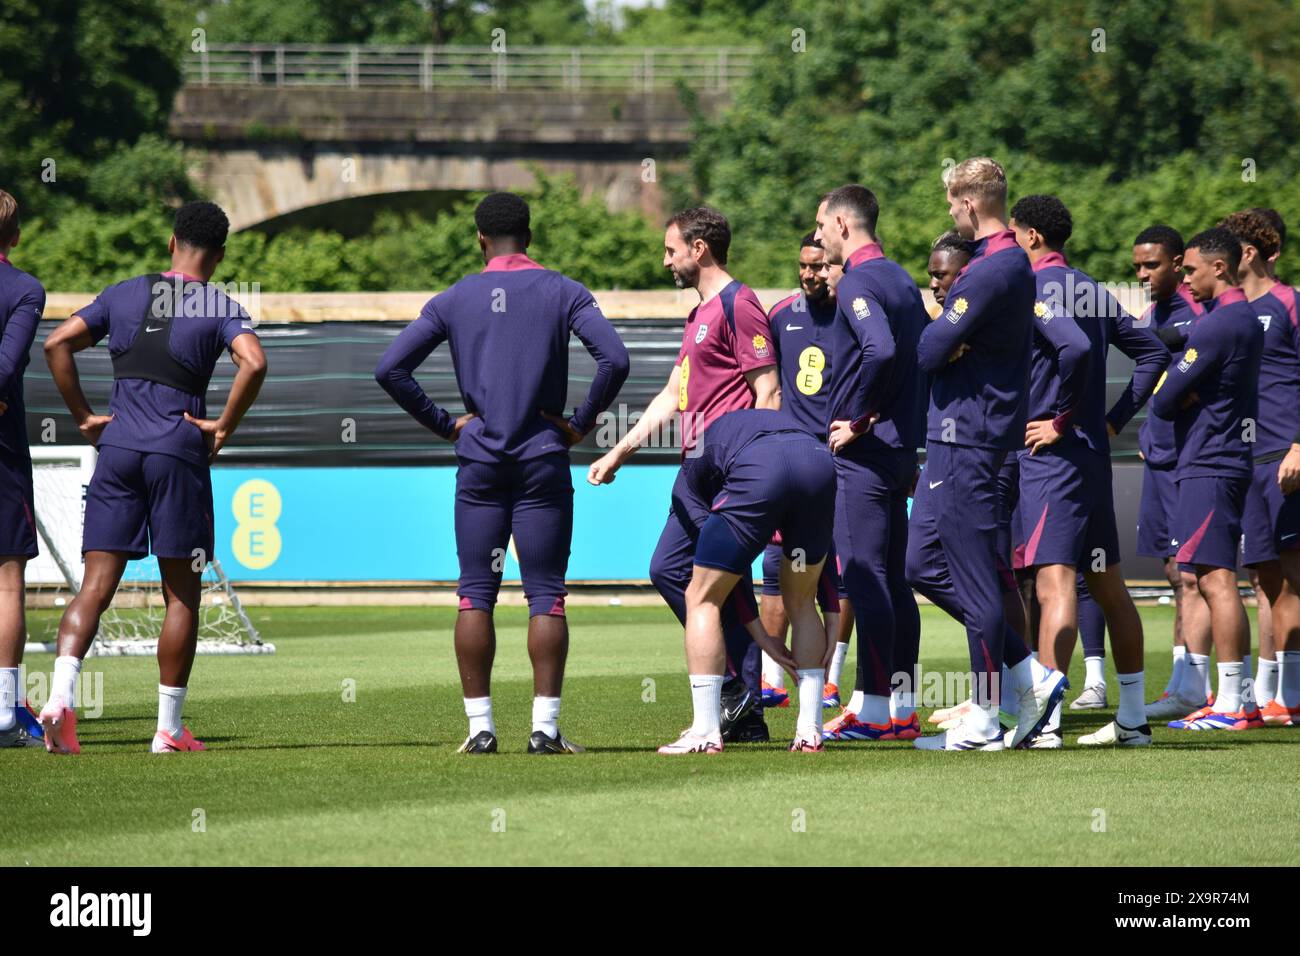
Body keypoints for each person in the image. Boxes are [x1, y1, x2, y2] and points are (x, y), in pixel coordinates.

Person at [376, 192, 629, 755]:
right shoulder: (564, 291)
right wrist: (580, 424)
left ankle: (480, 730)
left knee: (474, 594)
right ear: (530, 237)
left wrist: (447, 426)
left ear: (480, 240)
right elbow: (616, 358)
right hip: (542, 460)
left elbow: (389, 368)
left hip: (480, 464)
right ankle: (544, 730)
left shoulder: (456, 298)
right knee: (546, 596)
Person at [40, 201, 267, 754]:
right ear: (217, 257)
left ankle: (58, 700)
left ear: (171, 243)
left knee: (94, 587)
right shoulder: (219, 304)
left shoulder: (122, 292)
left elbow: (56, 343)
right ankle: (167, 729)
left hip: (117, 449)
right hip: (177, 451)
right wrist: (222, 428)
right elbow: (254, 362)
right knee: (181, 595)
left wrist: (84, 417)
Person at [587, 207, 780, 743]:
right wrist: (619, 451)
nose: (665, 259)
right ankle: (743, 706)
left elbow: (769, 391)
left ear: (699, 249)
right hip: (697, 470)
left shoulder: (740, 305)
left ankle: (739, 699)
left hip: (729, 471)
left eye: (671, 249)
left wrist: (755, 468)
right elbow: (673, 394)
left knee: (690, 575)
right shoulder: (699, 315)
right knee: (687, 575)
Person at [905, 157, 1066, 751]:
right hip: (953, 441)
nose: (950, 213)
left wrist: (948, 337)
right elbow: (944, 345)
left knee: (976, 582)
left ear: (969, 204)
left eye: (952, 204)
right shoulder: (1007, 266)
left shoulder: (990, 269)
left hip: (970, 441)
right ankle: (1031, 676)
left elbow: (928, 349)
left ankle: (985, 721)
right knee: (920, 564)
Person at [1008, 194, 1168, 747]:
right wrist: (1114, 420)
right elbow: (1152, 352)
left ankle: (1045, 723)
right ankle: (1132, 718)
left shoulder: (1033, 288)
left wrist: (1060, 420)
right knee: (1108, 585)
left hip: (1054, 460)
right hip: (1091, 461)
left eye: (1013, 233)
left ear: (1031, 236)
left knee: (1054, 585)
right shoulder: (1091, 289)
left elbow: (1073, 351)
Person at [813, 185, 928, 743]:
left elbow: (879, 350)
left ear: (841, 223)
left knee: (862, 575)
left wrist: (859, 418)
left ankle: (877, 712)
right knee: (894, 580)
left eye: (819, 225)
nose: (816, 236)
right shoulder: (903, 278)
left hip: (865, 451)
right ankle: (900, 706)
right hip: (899, 448)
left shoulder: (859, 280)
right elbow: (923, 353)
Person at [656, 410, 832, 754]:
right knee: (801, 600)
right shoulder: (741, 433)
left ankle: (705, 731)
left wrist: (761, 637)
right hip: (817, 459)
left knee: (700, 597)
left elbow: (726, 570)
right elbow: (827, 556)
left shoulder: (689, 479)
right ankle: (811, 731)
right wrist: (831, 615)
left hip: (762, 466)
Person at [1150, 227, 1264, 731]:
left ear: (1219, 267)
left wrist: (1178, 391)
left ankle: (1235, 701)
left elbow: (1164, 395)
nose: (1185, 279)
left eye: (1191, 269)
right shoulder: (1236, 319)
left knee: (1217, 579)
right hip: (1216, 459)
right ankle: (1219, 695)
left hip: (1211, 461)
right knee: (1200, 575)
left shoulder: (1218, 326)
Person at [1217, 210, 1300, 726]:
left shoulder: (1289, 302)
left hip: (1284, 460)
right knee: (1264, 580)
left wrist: (1299, 445)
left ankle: (1291, 696)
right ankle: (1263, 694)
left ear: (1246, 253)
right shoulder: (1226, 312)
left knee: (1292, 580)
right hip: (1241, 463)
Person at [759, 233, 845, 710]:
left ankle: (831, 676)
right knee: (777, 563)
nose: (810, 274)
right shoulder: (780, 316)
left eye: (819, 266)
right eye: (804, 266)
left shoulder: (855, 313)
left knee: (840, 568)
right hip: (791, 457)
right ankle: (773, 677)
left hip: (838, 458)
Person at [1131, 226, 1213, 718]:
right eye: (1138, 267)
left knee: (1192, 573)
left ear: (1178, 263)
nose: (1143, 275)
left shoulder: (1198, 314)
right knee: (1170, 569)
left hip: (1190, 459)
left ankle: (1198, 683)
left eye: (1152, 266)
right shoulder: (1151, 316)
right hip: (1158, 455)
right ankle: (1183, 681)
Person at [0, 188, 47, 748]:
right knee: (8, 581)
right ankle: (6, 717)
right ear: (14, 236)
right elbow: (5, 367)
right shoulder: (25, 289)